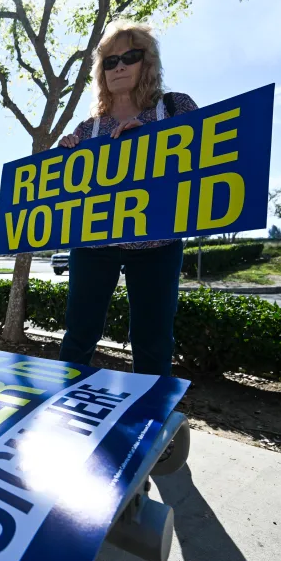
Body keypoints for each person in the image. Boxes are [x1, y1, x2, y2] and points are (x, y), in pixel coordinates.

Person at [56, 21, 197, 377]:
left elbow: (204, 159)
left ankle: (150, 411)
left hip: (158, 244)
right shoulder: (89, 128)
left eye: (130, 57)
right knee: (78, 336)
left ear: (146, 62)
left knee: (153, 341)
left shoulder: (176, 107)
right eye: (110, 61)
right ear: (101, 72)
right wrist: (65, 155)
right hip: (93, 245)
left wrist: (155, 138)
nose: (119, 66)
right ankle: (63, 404)